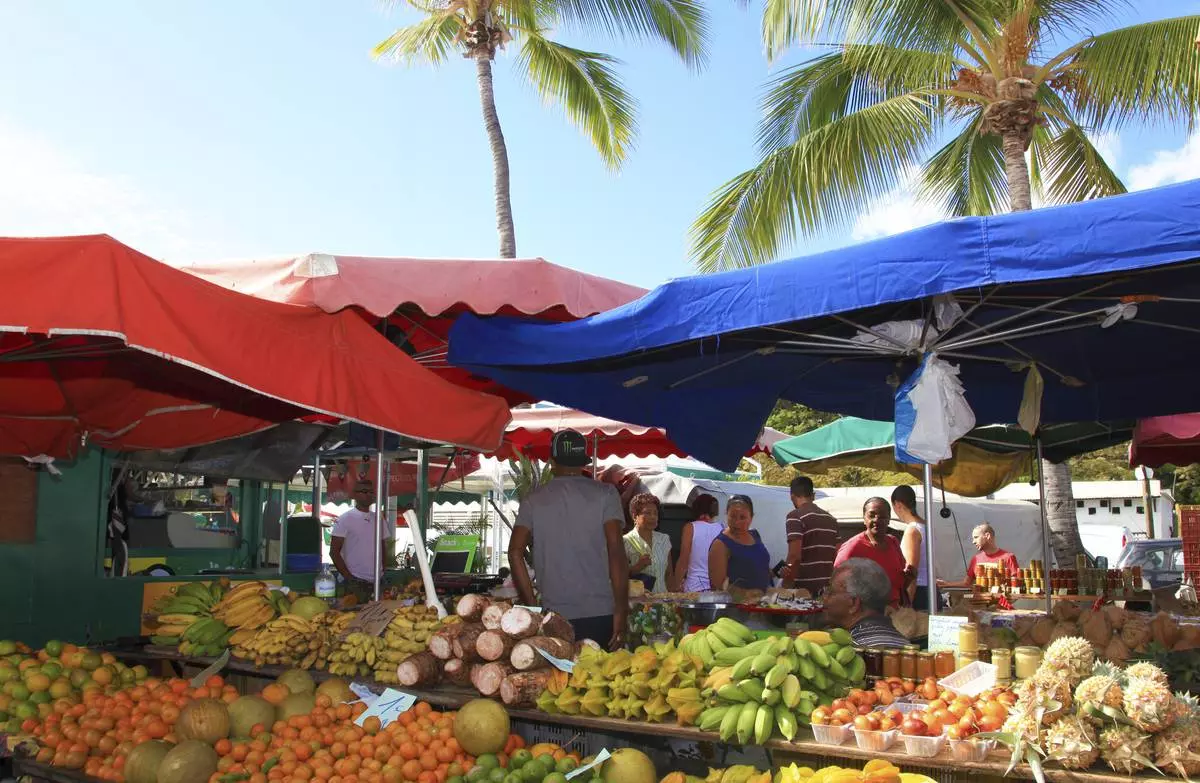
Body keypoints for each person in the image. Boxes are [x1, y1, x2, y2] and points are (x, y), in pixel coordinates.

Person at [508, 430, 629, 648]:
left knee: (558, 671)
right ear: (583, 462)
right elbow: (616, 552)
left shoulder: (533, 500)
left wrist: (532, 606)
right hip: (600, 612)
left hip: (552, 615)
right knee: (598, 669)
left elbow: (515, 552)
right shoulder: (606, 494)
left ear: (552, 462)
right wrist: (621, 609)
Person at [834, 497, 907, 606]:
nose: (876, 520)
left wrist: (909, 577)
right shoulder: (853, 547)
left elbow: (900, 582)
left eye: (882, 516)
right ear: (864, 519)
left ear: (889, 519)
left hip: (895, 612)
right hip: (865, 613)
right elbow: (837, 583)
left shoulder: (893, 542)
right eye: (871, 515)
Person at [330, 480, 394, 602]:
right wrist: (349, 578)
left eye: (371, 491)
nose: (368, 494)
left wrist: (383, 569)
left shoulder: (379, 519)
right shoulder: (345, 519)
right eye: (364, 491)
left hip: (378, 581)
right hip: (355, 581)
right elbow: (334, 552)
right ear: (354, 494)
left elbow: (382, 546)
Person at [823, 559, 911, 648]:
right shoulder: (906, 645)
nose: (824, 597)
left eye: (830, 592)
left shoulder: (853, 650)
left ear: (853, 603)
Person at [781, 476, 838, 596]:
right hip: (827, 589)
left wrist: (787, 583)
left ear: (792, 496)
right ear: (813, 495)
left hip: (803, 590)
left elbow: (794, 556)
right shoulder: (831, 519)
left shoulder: (795, 516)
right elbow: (837, 554)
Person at [709, 495, 773, 591]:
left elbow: (760, 567)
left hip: (765, 598)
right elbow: (718, 587)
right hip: (739, 601)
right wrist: (749, 594)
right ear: (726, 514)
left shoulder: (755, 535)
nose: (737, 522)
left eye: (742, 517)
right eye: (733, 516)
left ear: (751, 517)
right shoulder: (720, 544)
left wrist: (776, 573)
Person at [937, 523, 1020, 589]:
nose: (973, 542)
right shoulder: (976, 559)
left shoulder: (1008, 557)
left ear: (987, 536)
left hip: (1002, 604)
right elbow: (967, 583)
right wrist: (946, 584)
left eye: (976, 537)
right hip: (981, 603)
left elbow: (1017, 586)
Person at [624, 493, 673, 593]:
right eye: (648, 513)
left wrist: (672, 598)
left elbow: (669, 574)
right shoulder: (625, 541)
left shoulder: (664, 539)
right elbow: (616, 576)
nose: (653, 517)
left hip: (662, 600)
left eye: (655, 513)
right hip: (638, 601)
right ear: (635, 516)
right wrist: (637, 567)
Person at [674, 494, 722, 591]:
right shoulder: (722, 528)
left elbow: (683, 561)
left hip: (694, 587)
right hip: (715, 588)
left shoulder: (690, 527)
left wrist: (675, 585)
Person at [891, 485, 929, 610]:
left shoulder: (912, 531)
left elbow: (911, 572)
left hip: (918, 592)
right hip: (931, 589)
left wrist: (907, 605)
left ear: (897, 504)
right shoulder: (927, 526)